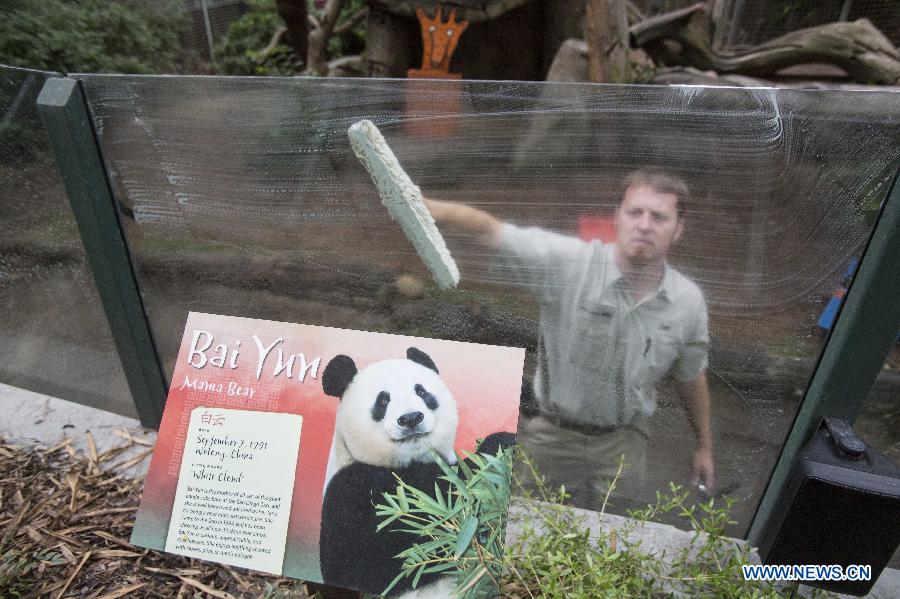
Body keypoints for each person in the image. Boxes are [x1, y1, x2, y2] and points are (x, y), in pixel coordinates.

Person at [424, 169, 714, 510]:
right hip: (551, 438)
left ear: (678, 229)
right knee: (529, 533)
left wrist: (704, 446)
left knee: (617, 543)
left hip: (623, 444)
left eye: (659, 217)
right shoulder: (569, 265)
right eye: (635, 212)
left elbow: (691, 377)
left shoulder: (688, 303)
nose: (645, 224)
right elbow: (490, 230)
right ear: (617, 218)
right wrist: (424, 206)